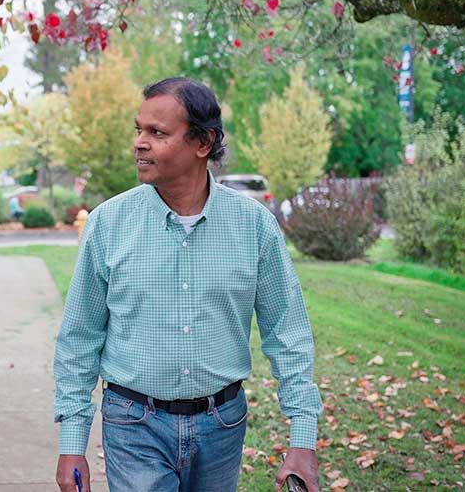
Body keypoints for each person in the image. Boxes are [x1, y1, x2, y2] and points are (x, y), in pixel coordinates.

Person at [52, 77, 322, 492]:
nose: (139, 143)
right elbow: (79, 337)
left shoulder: (254, 226)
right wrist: (72, 442)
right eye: (138, 130)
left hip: (223, 424)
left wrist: (302, 438)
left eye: (157, 133)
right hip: (133, 423)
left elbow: (288, 332)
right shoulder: (108, 224)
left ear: (203, 142)